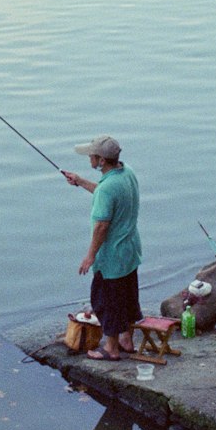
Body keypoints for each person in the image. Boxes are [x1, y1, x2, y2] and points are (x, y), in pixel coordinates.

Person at [62, 135, 142, 361]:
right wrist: (79, 181)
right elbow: (105, 192)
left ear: (101, 160)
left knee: (106, 301)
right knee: (127, 296)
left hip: (112, 256)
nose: (89, 157)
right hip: (130, 251)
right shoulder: (127, 173)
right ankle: (127, 339)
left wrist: (90, 256)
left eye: (92, 155)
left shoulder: (108, 188)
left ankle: (111, 348)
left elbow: (101, 226)